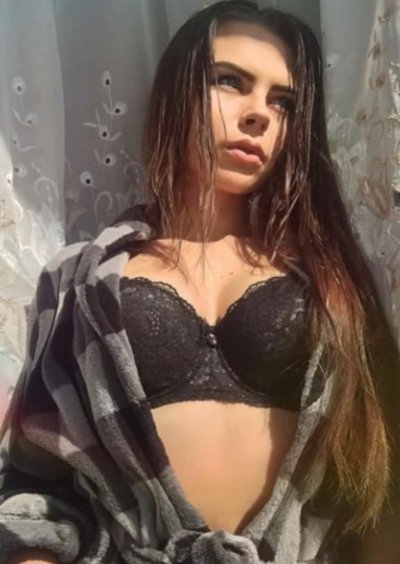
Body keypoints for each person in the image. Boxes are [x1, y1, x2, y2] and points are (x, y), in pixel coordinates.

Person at [1, 1, 399, 562]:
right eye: (230, 81)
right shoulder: (78, 280)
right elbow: (37, 481)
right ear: (174, 92)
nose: (259, 114)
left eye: (283, 101)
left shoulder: (333, 281)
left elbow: (377, 488)